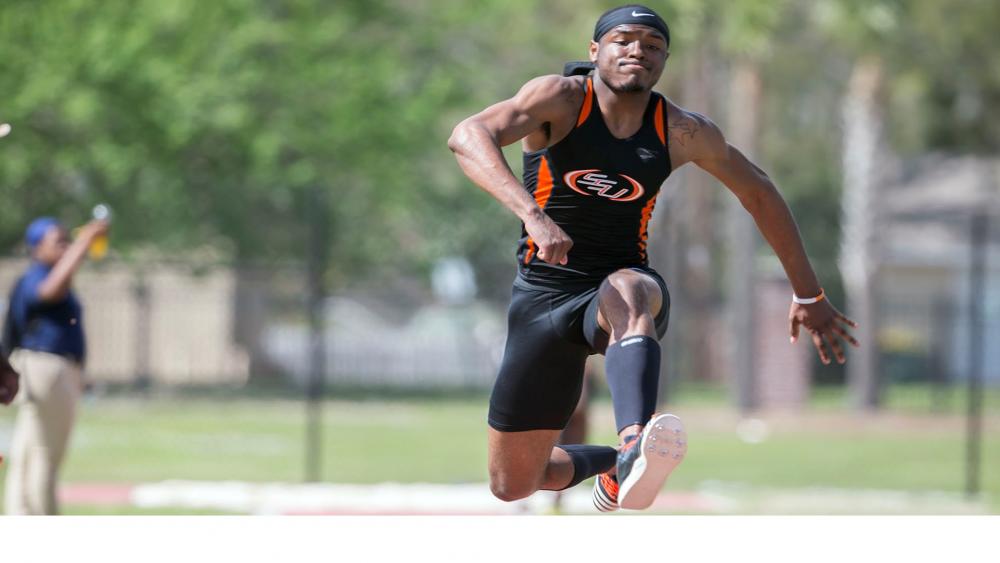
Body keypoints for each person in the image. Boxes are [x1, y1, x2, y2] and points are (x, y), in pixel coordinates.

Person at [448, 4, 858, 512]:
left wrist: (809, 294)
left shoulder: (681, 130)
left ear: (664, 61)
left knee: (626, 289)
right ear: (595, 50)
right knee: (515, 482)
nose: (637, 50)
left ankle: (633, 439)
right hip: (543, 294)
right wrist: (533, 215)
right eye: (623, 40)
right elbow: (467, 135)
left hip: (623, 283)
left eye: (653, 45)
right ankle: (617, 464)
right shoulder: (559, 98)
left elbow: (759, 192)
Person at [2, 216, 108, 514]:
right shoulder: (37, 276)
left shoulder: (40, 275)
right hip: (46, 368)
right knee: (45, 458)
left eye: (68, 240)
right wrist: (84, 243)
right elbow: (50, 291)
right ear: (37, 248)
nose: (66, 247)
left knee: (27, 456)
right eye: (58, 242)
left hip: (41, 370)